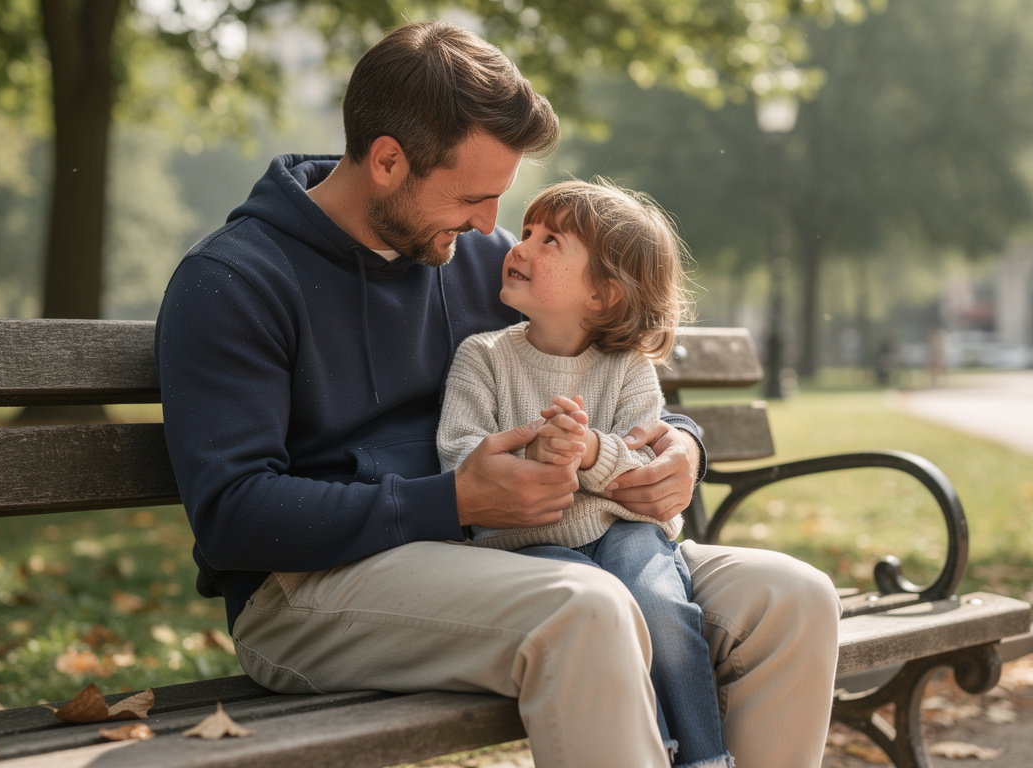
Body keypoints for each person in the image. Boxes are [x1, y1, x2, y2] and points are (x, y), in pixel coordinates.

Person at [155, 19, 840, 768]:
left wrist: (680, 445)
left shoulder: (474, 255)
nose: (493, 227)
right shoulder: (234, 282)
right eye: (475, 197)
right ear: (388, 161)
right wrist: (454, 501)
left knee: (792, 598)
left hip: (525, 548)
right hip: (312, 590)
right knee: (583, 611)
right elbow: (232, 517)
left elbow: (594, 363)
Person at [436, 179, 727, 767]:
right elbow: (459, 454)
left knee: (662, 612)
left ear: (603, 296)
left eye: (550, 242)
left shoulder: (626, 369)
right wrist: (534, 461)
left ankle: (704, 759)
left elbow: (649, 463)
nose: (518, 247)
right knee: (607, 617)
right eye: (527, 232)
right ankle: (651, 753)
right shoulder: (482, 357)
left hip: (624, 532)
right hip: (529, 546)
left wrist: (590, 450)